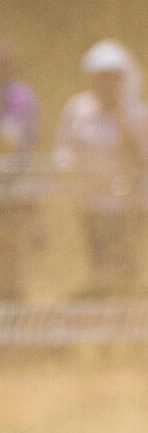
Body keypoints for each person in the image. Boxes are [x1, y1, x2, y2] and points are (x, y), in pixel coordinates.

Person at [55, 42, 148, 297]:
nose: (106, 84)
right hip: (92, 203)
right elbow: (63, 153)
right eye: (101, 77)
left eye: (113, 77)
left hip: (129, 206)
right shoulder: (77, 109)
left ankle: (127, 321)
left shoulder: (138, 113)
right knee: (100, 265)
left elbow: (142, 158)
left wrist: (122, 119)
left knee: (126, 266)